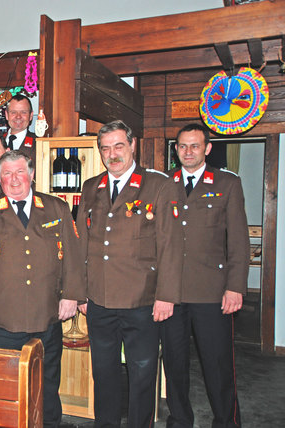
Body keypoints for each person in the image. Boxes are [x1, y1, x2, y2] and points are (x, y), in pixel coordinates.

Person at [0, 150, 83, 427]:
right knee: (4, 387)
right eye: (7, 174)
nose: (14, 180)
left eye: (19, 173)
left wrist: (71, 295)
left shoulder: (56, 208)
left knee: (48, 383)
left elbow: (73, 255)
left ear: (31, 175)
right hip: (2, 318)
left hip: (46, 314)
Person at [75, 120, 182, 427]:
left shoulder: (158, 185)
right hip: (99, 300)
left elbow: (171, 246)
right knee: (104, 373)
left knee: (143, 373)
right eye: (105, 148)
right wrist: (81, 292)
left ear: (133, 145)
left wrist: (166, 296)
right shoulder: (92, 187)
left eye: (119, 146)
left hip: (143, 300)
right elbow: (83, 243)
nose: (113, 154)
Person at [160, 123, 249, 428]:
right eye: (182, 146)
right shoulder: (163, 184)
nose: (188, 152)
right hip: (170, 293)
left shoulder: (227, 183)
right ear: (176, 149)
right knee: (174, 364)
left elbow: (238, 241)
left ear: (207, 148)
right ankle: (179, 419)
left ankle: (227, 421)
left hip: (212, 293)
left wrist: (235, 287)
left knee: (218, 365)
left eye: (195, 146)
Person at [4, 94, 37, 164]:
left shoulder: (38, 143)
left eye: (23, 112)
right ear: (7, 115)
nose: (18, 116)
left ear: (31, 115)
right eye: (13, 112)